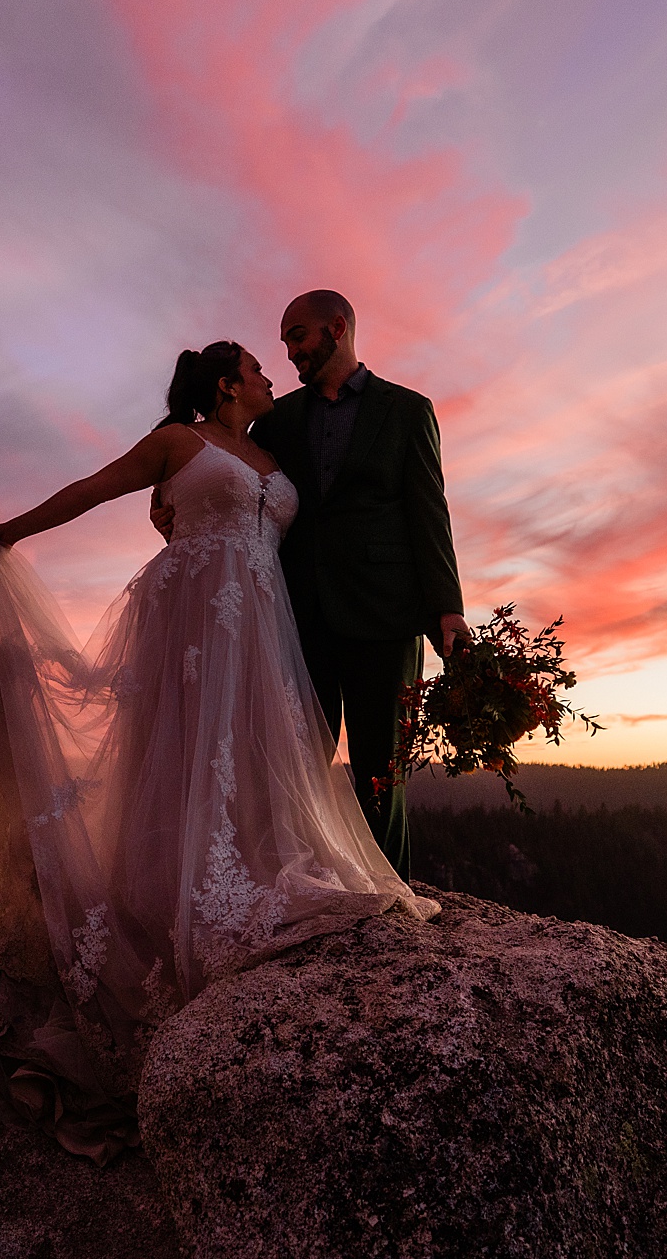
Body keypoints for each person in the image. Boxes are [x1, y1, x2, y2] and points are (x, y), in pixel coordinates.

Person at [0, 340, 436, 1166]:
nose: (269, 376)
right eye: (256, 368)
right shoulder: (179, 441)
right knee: (182, 756)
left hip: (260, 626)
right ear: (224, 384)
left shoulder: (271, 448)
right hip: (189, 615)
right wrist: (11, 530)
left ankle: (242, 874)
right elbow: (94, 488)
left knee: (257, 760)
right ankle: (169, 911)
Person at [154, 292, 469, 871]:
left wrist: (446, 609)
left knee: (383, 772)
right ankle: (304, 882)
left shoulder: (408, 410)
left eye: (298, 336)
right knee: (294, 763)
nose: (290, 352)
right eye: (283, 343)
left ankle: (392, 895)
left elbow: (430, 511)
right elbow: (225, 466)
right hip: (296, 615)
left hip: (386, 614)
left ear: (337, 329)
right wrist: (168, 501)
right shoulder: (279, 418)